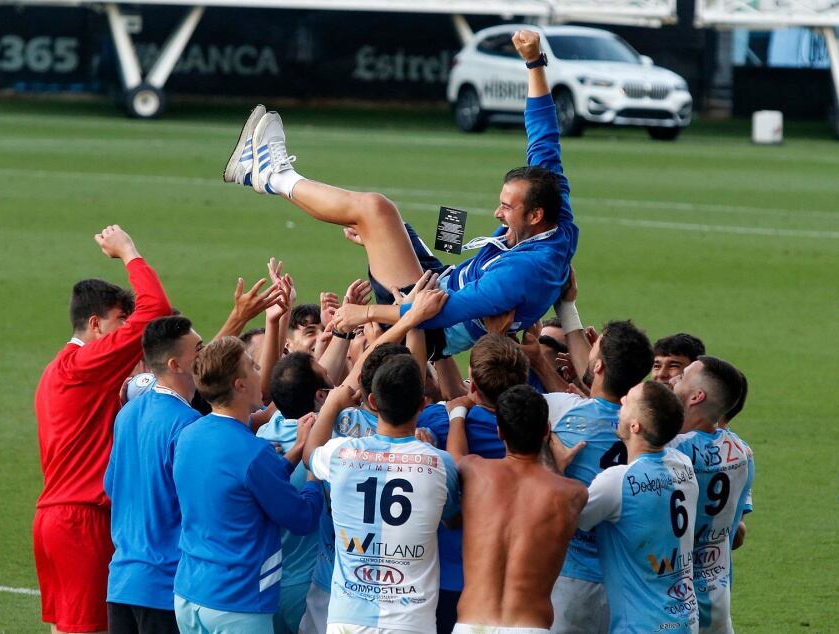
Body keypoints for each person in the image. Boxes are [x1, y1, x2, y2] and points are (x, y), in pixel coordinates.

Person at [223, 29, 577, 358]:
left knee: (374, 210)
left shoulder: (525, 270)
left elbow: (434, 313)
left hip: (430, 322)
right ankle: (264, 173)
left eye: (506, 207)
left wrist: (364, 313)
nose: (497, 213)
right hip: (442, 279)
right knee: (385, 223)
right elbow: (544, 134)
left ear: (535, 216)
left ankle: (272, 175)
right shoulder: (554, 207)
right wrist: (534, 62)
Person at [34, 225, 172, 634]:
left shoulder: (56, 371)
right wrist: (129, 251)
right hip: (82, 520)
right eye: (120, 320)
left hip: (56, 518)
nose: (129, 329)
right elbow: (157, 309)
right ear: (95, 324)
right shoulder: (83, 366)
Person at [172, 337, 323, 633]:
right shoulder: (253, 452)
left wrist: (293, 453)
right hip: (236, 603)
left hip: (189, 594)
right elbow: (302, 518)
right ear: (239, 384)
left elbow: (241, 486)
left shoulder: (190, 435)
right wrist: (313, 468)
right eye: (253, 367)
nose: (260, 373)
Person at [304, 355, 461, 633]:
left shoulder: (340, 453)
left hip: (347, 620)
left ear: (373, 402)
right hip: (411, 622)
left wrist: (330, 405)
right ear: (423, 404)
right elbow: (452, 520)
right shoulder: (440, 463)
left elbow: (309, 456)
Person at [545, 320, 654, 634]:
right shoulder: (652, 432)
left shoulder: (558, 410)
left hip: (570, 577)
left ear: (599, 365)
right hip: (625, 585)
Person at [453, 385, 587, 633]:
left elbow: (455, 456)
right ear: (547, 430)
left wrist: (457, 414)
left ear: (500, 433)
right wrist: (556, 467)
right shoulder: (573, 493)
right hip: (530, 627)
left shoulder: (474, 471)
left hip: (472, 624)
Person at [104, 317, 202, 634]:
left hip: (121, 583)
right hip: (165, 588)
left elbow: (112, 485)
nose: (205, 356)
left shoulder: (127, 414)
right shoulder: (187, 424)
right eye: (198, 350)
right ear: (175, 364)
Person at [577, 381, 699, 633]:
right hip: (684, 620)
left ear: (635, 426)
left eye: (627, 401)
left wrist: (552, 464)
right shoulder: (684, 464)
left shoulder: (616, 481)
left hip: (641, 626)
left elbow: (569, 520)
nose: (620, 401)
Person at [436, 334, 532, 632]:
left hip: (445, 579)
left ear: (473, 385)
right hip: (510, 582)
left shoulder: (435, 422)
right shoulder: (537, 428)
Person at [669, 357, 754, 634]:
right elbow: (737, 528)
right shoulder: (743, 452)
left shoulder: (672, 450)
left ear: (697, 397)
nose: (671, 380)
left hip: (671, 600)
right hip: (717, 600)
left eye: (681, 377)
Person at [260, 352, 333, 634]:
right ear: (319, 395)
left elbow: (294, 387)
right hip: (308, 589)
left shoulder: (265, 433)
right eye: (327, 377)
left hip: (265, 586)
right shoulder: (332, 443)